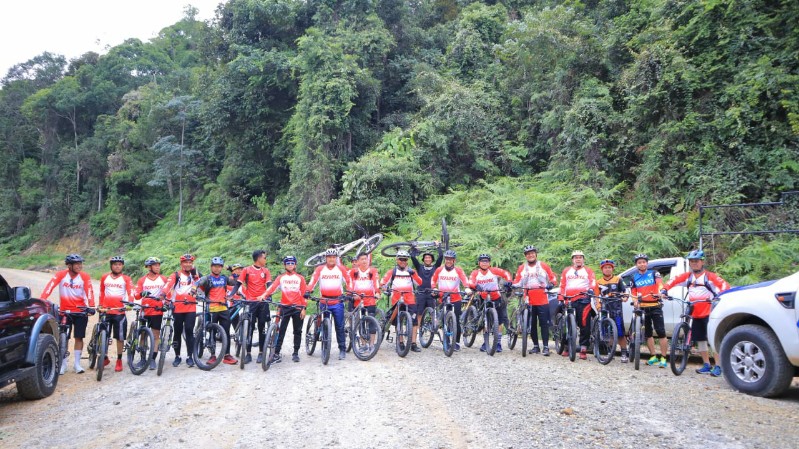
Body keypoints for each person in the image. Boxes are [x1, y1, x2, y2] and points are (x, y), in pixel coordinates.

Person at [662, 250, 730, 376]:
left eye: (696, 261)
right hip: (695, 311)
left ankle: (718, 366)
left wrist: (718, 296)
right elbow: (673, 281)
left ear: (702, 262)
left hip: (710, 311)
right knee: (701, 340)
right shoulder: (688, 277)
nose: (694, 264)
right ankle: (706, 364)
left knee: (713, 339)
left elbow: (724, 285)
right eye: (692, 262)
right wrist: (664, 290)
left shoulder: (710, 276)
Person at [41, 254, 95, 374]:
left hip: (80, 311)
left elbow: (89, 291)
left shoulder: (84, 276)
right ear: (69, 265)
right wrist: (42, 300)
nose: (79, 266)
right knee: (63, 336)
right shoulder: (61, 274)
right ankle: (63, 364)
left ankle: (77, 364)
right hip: (64, 311)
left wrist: (91, 306)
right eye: (76, 264)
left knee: (79, 337)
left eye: (80, 263)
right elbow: (49, 287)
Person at [307, 248, 353, 360]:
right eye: (329, 257)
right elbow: (313, 281)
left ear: (336, 258)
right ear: (326, 258)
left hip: (337, 301)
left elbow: (349, 281)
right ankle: (324, 345)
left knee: (340, 326)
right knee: (324, 325)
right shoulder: (320, 269)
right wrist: (308, 291)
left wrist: (349, 293)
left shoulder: (341, 269)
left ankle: (342, 349)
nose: (332, 259)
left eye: (334, 257)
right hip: (324, 301)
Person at [193, 257, 239, 365]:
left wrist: (233, 271)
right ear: (211, 267)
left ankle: (227, 355)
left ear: (221, 268)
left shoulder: (224, 278)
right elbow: (197, 284)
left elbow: (236, 282)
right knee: (212, 332)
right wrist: (193, 290)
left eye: (219, 266)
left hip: (223, 308)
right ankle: (212, 355)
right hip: (212, 308)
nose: (217, 268)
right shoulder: (207, 278)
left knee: (226, 332)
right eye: (215, 266)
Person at [512, 245, 557, 356]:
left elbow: (553, 278)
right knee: (531, 323)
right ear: (525, 256)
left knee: (544, 323)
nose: (530, 255)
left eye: (532, 253)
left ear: (536, 254)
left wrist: (551, 284)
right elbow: (517, 281)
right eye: (528, 254)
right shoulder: (522, 267)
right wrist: (511, 284)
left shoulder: (543, 265)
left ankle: (545, 347)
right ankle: (536, 346)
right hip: (528, 297)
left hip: (542, 297)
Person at [262, 256, 308, 363]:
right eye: (288, 263)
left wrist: (304, 308)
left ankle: (296, 353)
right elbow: (272, 288)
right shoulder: (281, 277)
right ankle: (276, 353)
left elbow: (304, 295)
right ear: (285, 265)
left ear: (295, 265)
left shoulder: (300, 278)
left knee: (297, 331)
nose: (290, 265)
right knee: (281, 330)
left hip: (297, 307)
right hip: (284, 307)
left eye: (292, 263)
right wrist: (264, 295)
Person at [629, 253, 668, 368]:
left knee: (661, 332)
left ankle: (664, 358)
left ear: (647, 263)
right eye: (639, 262)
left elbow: (660, 284)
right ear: (636, 265)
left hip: (655, 305)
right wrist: (635, 301)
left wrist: (661, 292)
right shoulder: (634, 277)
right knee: (648, 333)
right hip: (643, 307)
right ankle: (653, 356)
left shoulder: (653, 273)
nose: (642, 264)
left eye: (643, 262)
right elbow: (634, 291)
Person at [380, 250, 424, 352]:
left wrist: (414, 274)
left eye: (405, 259)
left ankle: (413, 343)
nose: (403, 261)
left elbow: (419, 282)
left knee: (414, 321)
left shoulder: (411, 271)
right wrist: (384, 288)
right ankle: (400, 342)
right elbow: (383, 283)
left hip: (410, 298)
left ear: (407, 260)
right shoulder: (392, 271)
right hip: (396, 298)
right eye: (401, 259)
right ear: (397, 260)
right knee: (398, 320)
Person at [98, 256, 136, 372]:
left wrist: (130, 303)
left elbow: (131, 292)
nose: (117, 266)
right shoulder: (105, 277)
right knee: (104, 335)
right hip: (106, 310)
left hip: (119, 311)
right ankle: (104, 357)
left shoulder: (126, 278)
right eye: (115, 264)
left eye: (119, 264)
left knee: (120, 338)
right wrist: (100, 305)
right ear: (111, 266)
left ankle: (119, 360)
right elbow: (102, 292)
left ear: (122, 266)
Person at [558, 250, 598, 360]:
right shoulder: (567, 271)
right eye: (576, 257)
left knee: (584, 323)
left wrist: (590, 290)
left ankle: (583, 348)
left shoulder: (588, 271)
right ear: (572, 260)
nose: (578, 259)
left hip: (583, 299)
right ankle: (566, 346)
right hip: (569, 300)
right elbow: (562, 285)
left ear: (583, 259)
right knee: (568, 324)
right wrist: (561, 296)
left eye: (580, 257)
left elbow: (593, 282)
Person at [163, 254, 202, 367]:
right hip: (178, 307)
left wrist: (196, 277)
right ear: (181, 264)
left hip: (191, 307)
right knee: (178, 331)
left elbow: (202, 287)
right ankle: (177, 356)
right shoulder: (176, 275)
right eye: (186, 262)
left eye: (190, 262)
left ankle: (190, 356)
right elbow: (168, 286)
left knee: (190, 331)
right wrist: (163, 294)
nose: (188, 264)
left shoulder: (195, 276)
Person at [469, 254, 513, 353]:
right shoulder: (476, 273)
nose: (484, 263)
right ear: (479, 263)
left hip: (496, 297)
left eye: (486, 261)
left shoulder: (493, 270)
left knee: (499, 321)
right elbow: (470, 281)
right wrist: (476, 285)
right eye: (482, 261)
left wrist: (509, 281)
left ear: (489, 263)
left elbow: (506, 273)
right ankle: (486, 342)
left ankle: (498, 343)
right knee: (486, 320)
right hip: (483, 297)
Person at [431, 250, 471, 351]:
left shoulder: (458, 270)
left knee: (456, 321)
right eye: (447, 259)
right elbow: (433, 279)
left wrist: (466, 287)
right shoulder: (439, 269)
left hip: (455, 297)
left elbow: (464, 279)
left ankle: (456, 342)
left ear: (454, 260)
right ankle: (447, 341)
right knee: (445, 320)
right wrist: (434, 287)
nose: (448, 261)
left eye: (450, 259)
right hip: (442, 297)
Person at [237, 250, 272, 364]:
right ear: (259, 258)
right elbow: (238, 283)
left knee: (262, 327)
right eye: (264, 258)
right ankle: (248, 353)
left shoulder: (266, 271)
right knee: (250, 328)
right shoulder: (246, 270)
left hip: (262, 302)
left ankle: (261, 353)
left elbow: (269, 285)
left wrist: (269, 296)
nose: (265, 260)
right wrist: (231, 295)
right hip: (250, 302)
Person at [134, 257, 167, 370]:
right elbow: (136, 295)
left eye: (158, 265)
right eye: (155, 265)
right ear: (149, 267)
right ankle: (143, 359)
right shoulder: (142, 280)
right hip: (145, 310)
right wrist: (142, 292)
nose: (158, 267)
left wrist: (166, 303)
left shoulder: (163, 279)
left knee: (155, 335)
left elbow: (168, 292)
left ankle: (152, 359)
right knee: (143, 334)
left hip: (157, 310)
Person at [595, 259, 629, 363]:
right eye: (605, 267)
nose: (607, 269)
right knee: (607, 332)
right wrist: (598, 306)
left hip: (616, 308)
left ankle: (624, 353)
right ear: (602, 269)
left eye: (609, 267)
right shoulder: (598, 282)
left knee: (620, 332)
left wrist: (625, 297)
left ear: (612, 269)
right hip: (605, 308)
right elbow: (597, 296)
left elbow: (625, 291)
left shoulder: (618, 279)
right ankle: (611, 352)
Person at [348, 253, 381, 345]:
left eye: (365, 259)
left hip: (370, 300)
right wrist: (352, 294)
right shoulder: (353, 272)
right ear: (358, 262)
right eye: (362, 259)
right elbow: (349, 284)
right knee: (360, 323)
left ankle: (371, 345)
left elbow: (376, 282)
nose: (364, 261)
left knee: (372, 323)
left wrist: (377, 292)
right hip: (357, 300)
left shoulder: (372, 271)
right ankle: (363, 344)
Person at [411, 245, 443, 332]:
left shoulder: (435, 268)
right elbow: (413, 257)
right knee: (419, 313)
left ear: (432, 259)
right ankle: (417, 330)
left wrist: (438, 247)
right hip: (421, 293)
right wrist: (414, 248)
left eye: (429, 258)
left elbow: (440, 257)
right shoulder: (419, 267)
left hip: (432, 293)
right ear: (423, 259)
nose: (427, 259)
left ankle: (435, 330)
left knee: (433, 313)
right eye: (426, 258)